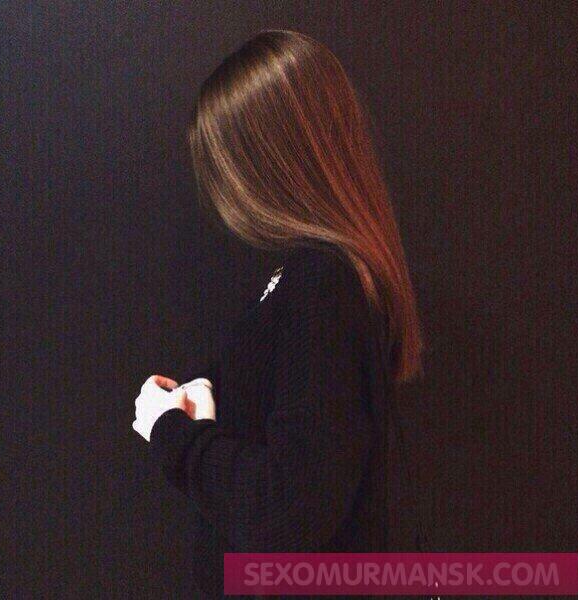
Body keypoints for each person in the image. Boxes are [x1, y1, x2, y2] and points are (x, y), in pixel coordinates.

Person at [132, 29, 423, 599]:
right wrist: (201, 396)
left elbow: (287, 509)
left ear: (266, 161)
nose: (221, 188)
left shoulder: (323, 282)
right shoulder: (309, 279)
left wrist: (172, 434)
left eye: (223, 163)